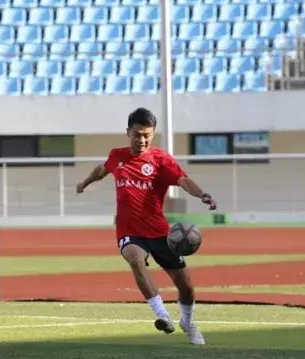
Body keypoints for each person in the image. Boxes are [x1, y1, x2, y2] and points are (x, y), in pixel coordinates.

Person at [76, 107, 217, 345]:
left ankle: (188, 322)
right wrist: (84, 182)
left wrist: (203, 194)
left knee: (186, 286)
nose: (142, 140)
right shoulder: (117, 156)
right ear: (128, 132)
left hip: (160, 232)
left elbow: (183, 180)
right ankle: (163, 316)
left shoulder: (161, 160)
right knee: (135, 259)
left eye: (147, 135)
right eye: (137, 135)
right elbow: (102, 170)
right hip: (129, 230)